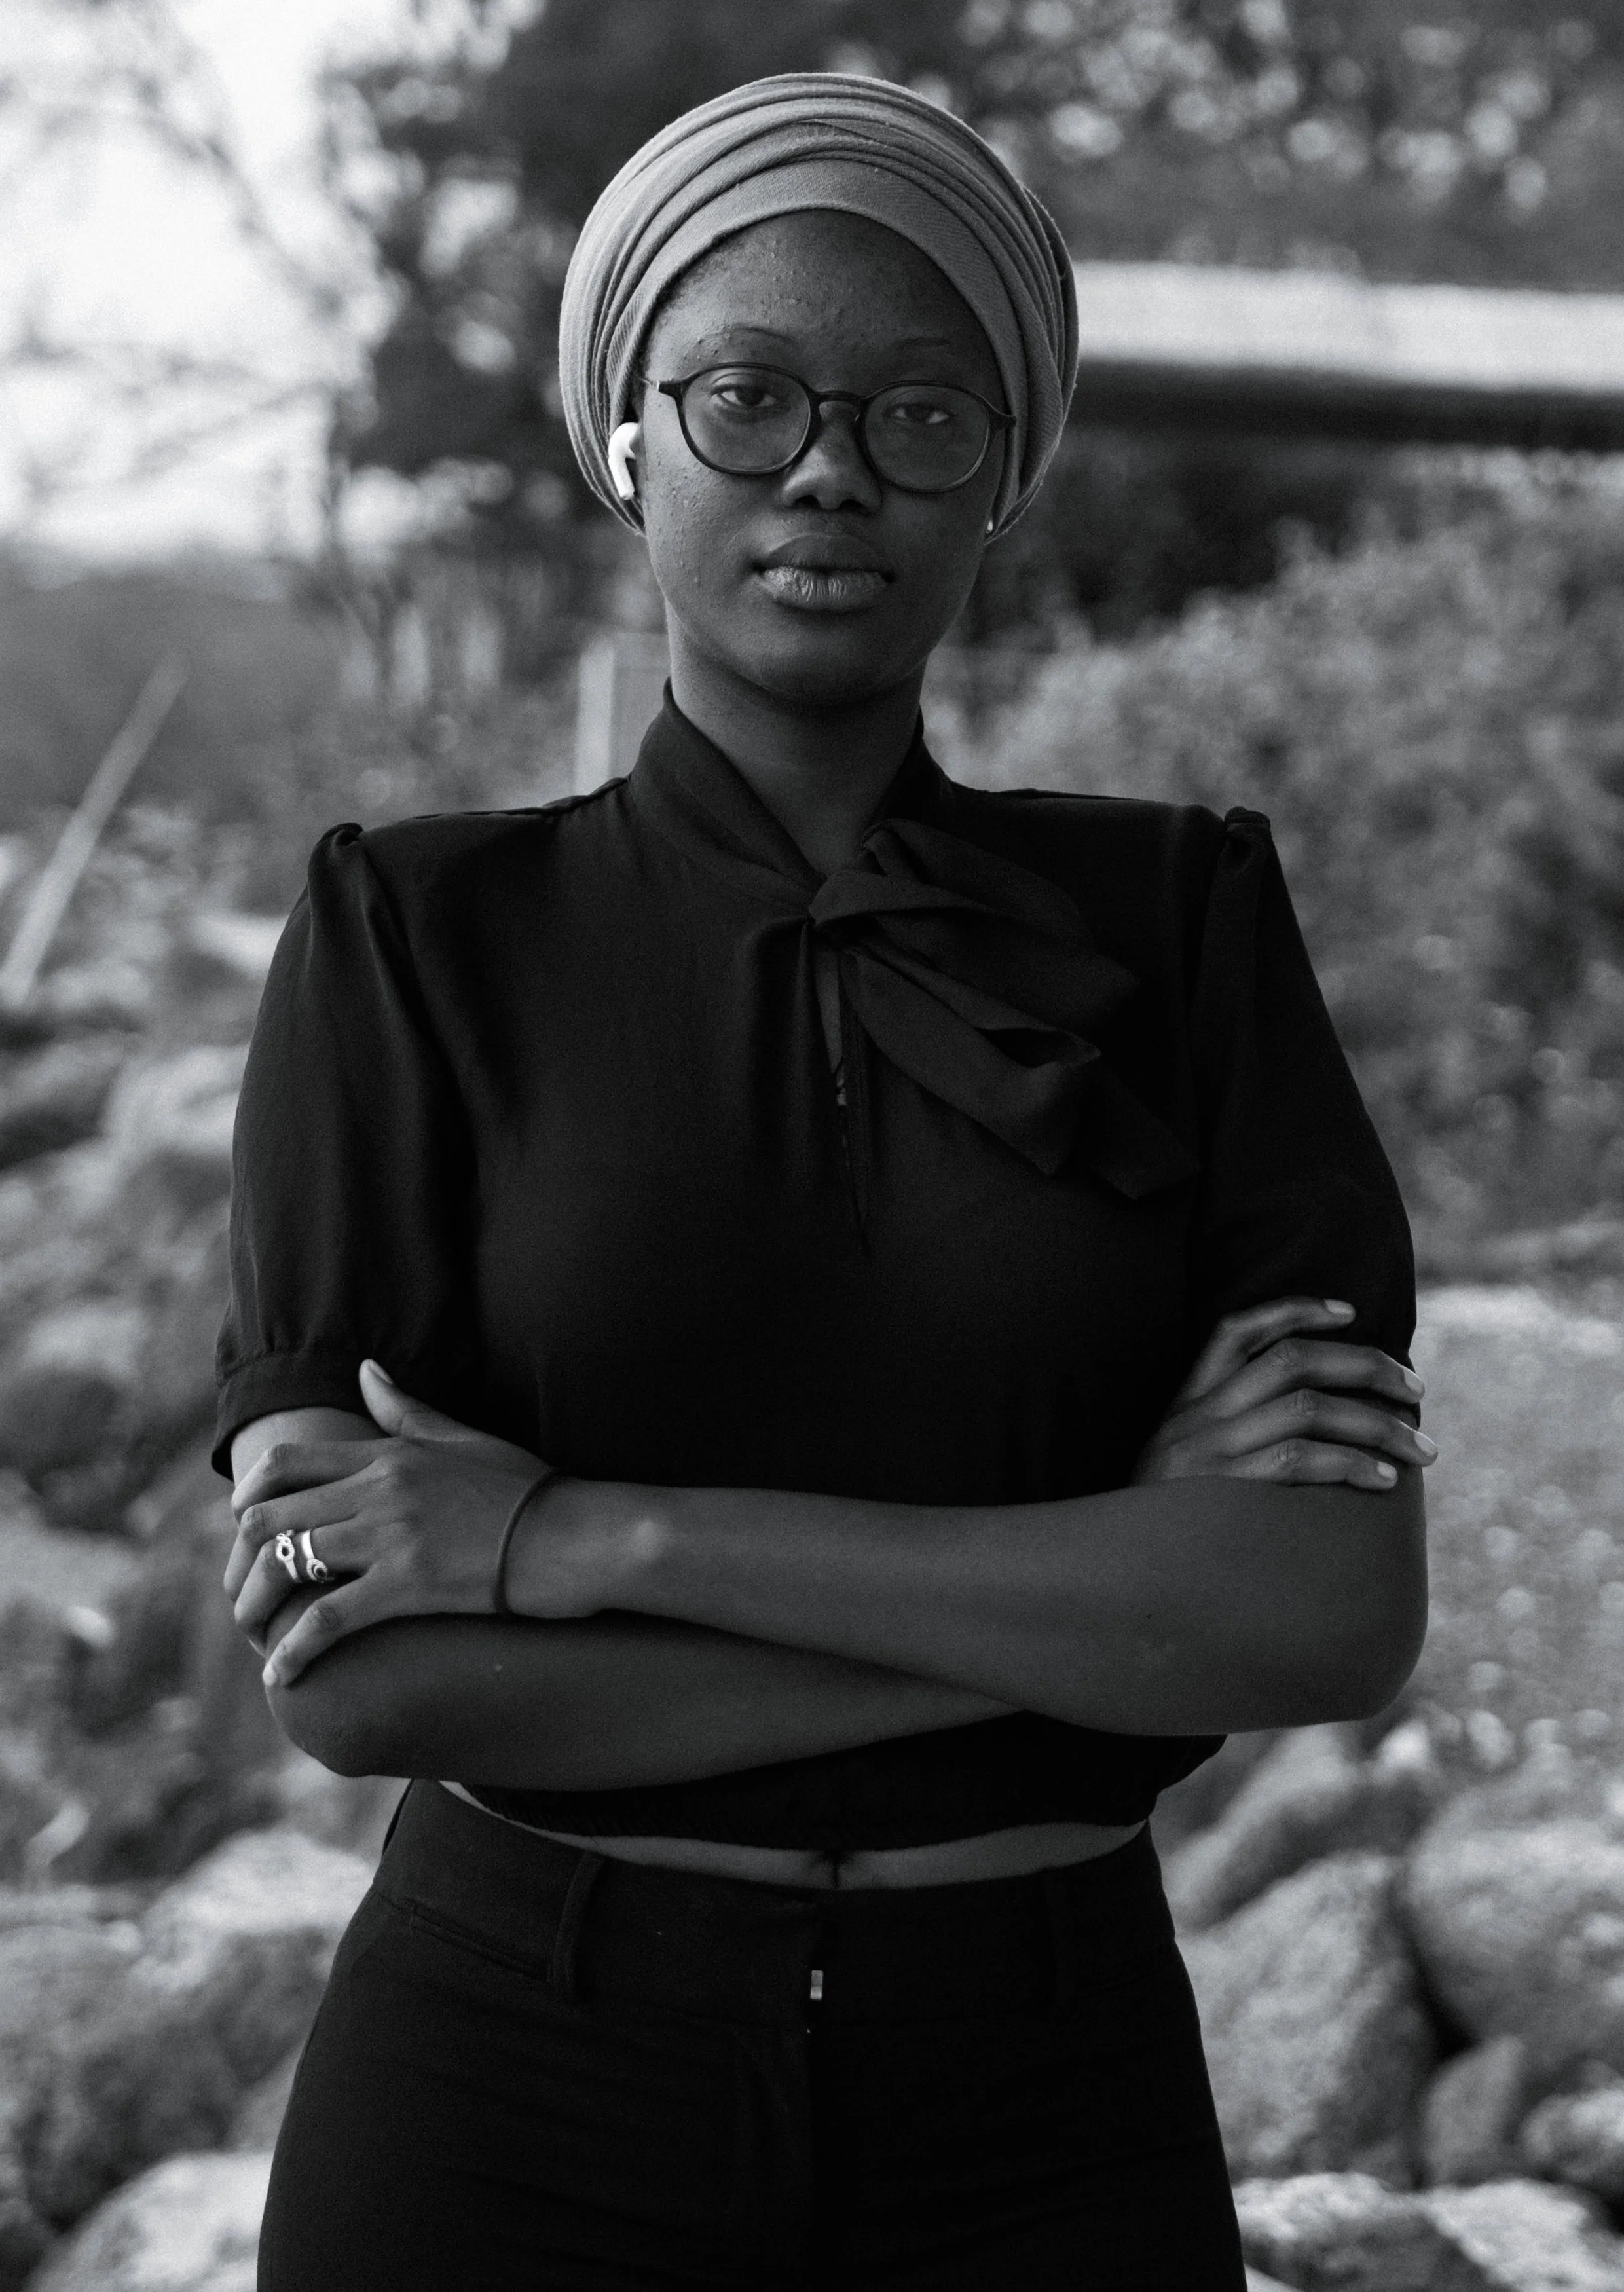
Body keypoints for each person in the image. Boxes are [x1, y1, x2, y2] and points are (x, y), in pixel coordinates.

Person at [219, 73, 1433, 2291]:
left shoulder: (1180, 923)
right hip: (512, 2090)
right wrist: (1104, 1623)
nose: (829, 469)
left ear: (1005, 478)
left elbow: (1327, 1612)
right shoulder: (411, 933)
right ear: (629, 440)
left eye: (920, 413)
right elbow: (359, 1680)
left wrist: (590, 1542)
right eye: (749, 394)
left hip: (1047, 2103)